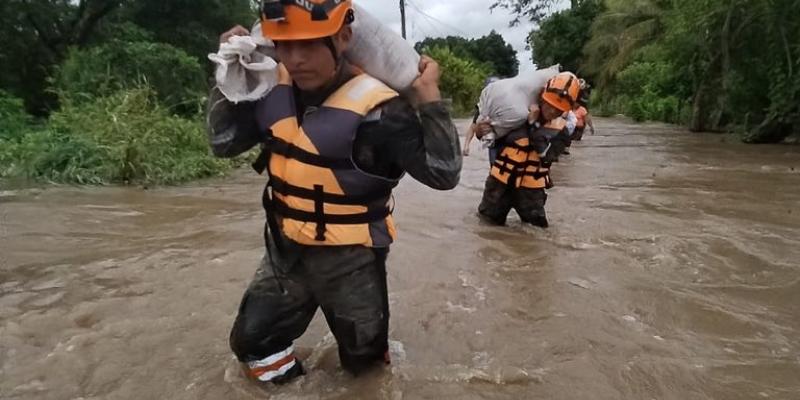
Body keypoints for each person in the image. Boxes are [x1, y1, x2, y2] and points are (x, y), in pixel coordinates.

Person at [206, 0, 461, 384]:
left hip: (351, 262)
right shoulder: (268, 87)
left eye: (309, 44)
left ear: (342, 38)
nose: (295, 59)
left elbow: (443, 175)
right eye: (285, 45)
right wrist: (230, 74)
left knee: (364, 366)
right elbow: (223, 143)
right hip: (285, 251)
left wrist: (431, 102)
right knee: (253, 343)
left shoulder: (383, 112)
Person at [476, 72, 580, 228]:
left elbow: (546, 156)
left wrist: (533, 125)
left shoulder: (562, 131)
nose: (552, 111)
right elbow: (491, 139)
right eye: (549, 104)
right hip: (499, 186)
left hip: (531, 192)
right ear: (542, 97)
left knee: (538, 232)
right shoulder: (516, 115)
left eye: (558, 109)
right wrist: (480, 131)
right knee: (486, 227)